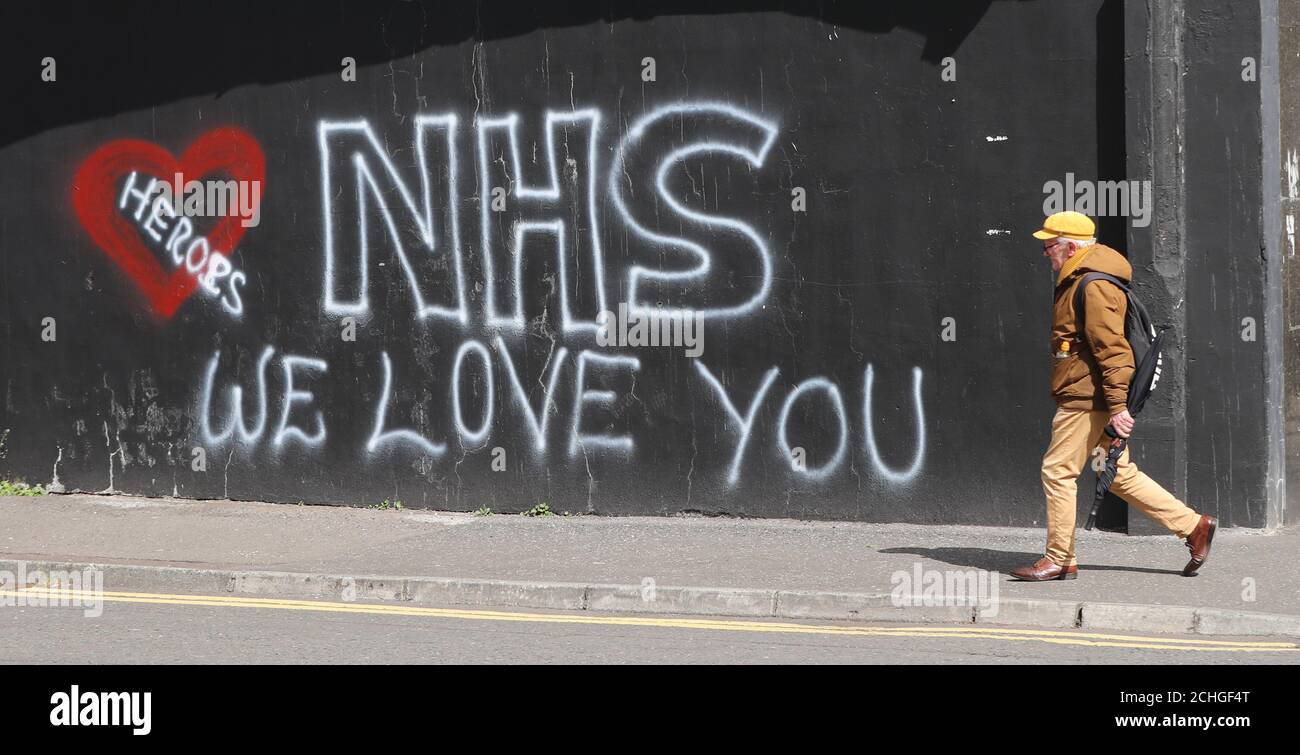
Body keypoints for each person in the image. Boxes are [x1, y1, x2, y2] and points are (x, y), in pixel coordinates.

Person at [1009, 211, 1216, 581]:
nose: (1045, 253)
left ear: (1070, 246)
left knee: (1058, 472)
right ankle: (1193, 525)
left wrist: (1119, 407)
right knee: (1116, 473)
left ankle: (1060, 558)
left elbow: (1113, 351)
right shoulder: (1083, 279)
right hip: (1091, 395)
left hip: (1086, 400)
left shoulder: (1092, 285)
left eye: (1049, 246)